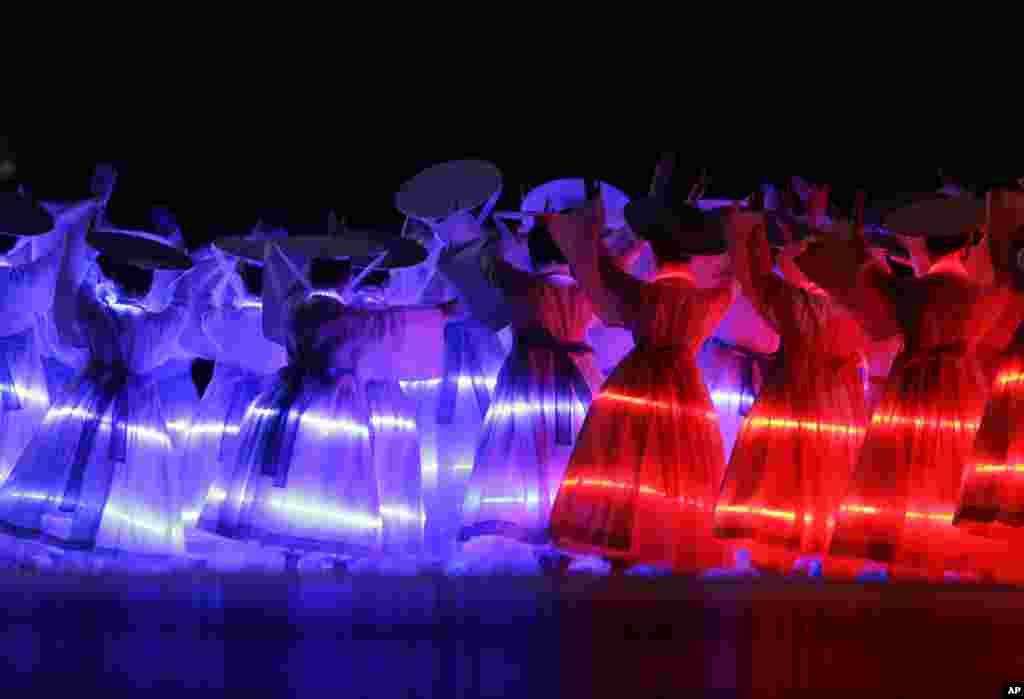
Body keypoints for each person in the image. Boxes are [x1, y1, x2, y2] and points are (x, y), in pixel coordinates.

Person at [195, 231, 448, 574]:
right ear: (346, 279)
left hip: (292, 400)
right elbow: (391, 326)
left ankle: (291, 553)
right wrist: (441, 314)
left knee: (298, 467)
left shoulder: (297, 312)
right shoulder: (348, 318)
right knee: (338, 474)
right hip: (336, 404)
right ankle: (339, 554)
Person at [813, 192, 1015, 582]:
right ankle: (951, 558)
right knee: (954, 467)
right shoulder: (981, 296)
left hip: (911, 388)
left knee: (906, 468)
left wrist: (859, 248)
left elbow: (873, 299)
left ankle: (908, 561)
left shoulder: (913, 292)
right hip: (962, 388)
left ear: (923, 241)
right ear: (967, 243)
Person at [0, 216, 218, 574]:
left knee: (77, 454)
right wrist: (196, 267)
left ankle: (68, 524)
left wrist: (90, 239)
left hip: (88, 393)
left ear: (112, 277)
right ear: (149, 286)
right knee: (127, 465)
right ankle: (111, 532)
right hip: (137, 406)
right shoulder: (156, 326)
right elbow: (182, 302)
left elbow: (73, 285)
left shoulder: (95, 312)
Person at [546, 188, 737, 575]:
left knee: (623, 461)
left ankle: (617, 543)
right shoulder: (711, 300)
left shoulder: (642, 294)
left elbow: (600, 270)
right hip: (685, 387)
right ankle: (670, 542)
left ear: (655, 252)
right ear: (694, 256)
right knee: (677, 464)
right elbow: (734, 280)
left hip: (634, 380)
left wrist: (587, 229)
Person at [713, 190, 870, 577]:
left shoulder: (790, 300)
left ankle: (777, 550)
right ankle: (832, 549)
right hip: (839, 398)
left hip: (793, 390)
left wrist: (746, 230)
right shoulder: (856, 303)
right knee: (832, 463)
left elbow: (756, 278)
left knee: (784, 466)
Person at [452, 212, 602, 574]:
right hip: (579, 379)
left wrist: (507, 236)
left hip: (529, 376)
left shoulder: (521, 284)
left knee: (530, 452)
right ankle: (570, 533)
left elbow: (488, 263)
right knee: (576, 456)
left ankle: (540, 532)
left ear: (534, 255)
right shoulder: (588, 289)